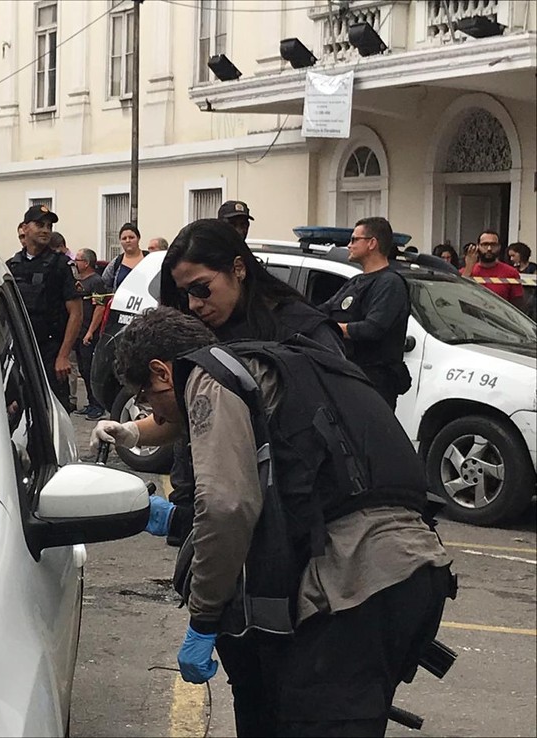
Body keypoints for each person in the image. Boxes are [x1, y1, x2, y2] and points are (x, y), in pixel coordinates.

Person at [111, 305, 454, 737]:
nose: (152, 413)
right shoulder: (263, 363)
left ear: (162, 371)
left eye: (145, 398)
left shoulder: (207, 378)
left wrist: (203, 620)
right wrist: (134, 434)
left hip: (354, 588)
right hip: (414, 570)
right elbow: (189, 424)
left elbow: (228, 507)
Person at [94, 219, 342, 549]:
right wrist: (133, 432)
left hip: (282, 510)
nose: (195, 304)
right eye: (184, 295)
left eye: (200, 288)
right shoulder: (206, 329)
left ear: (238, 268)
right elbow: (197, 412)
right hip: (206, 502)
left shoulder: (302, 333)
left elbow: (328, 430)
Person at [316, 217, 412, 410]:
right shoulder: (355, 281)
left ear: (372, 243)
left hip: (374, 382)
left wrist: (332, 328)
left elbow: (373, 328)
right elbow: (322, 312)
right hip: (347, 376)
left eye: (354, 239)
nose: (349, 245)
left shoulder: (389, 283)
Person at [6, 205, 82, 412]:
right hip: (19, 351)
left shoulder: (62, 266)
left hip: (51, 352)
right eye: (39, 224)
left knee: (54, 414)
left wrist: (64, 355)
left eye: (49, 226)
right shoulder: (12, 266)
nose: (45, 230)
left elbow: (76, 313)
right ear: (24, 228)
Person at [72, 248, 106, 420]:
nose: (75, 263)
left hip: (88, 333)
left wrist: (91, 331)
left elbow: (100, 307)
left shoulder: (96, 282)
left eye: (77, 260)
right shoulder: (78, 281)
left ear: (86, 263)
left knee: (90, 368)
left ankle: (98, 405)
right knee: (83, 369)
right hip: (78, 332)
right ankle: (91, 402)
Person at [461, 230, 526, 310]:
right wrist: (469, 267)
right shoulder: (464, 272)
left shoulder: (511, 273)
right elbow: (459, 295)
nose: (489, 249)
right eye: (485, 244)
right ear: (478, 246)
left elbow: (518, 306)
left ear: (499, 247)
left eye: (493, 245)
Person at [102, 223, 146, 289]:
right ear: (120, 241)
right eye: (124, 238)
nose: (128, 240)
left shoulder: (149, 258)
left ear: (138, 238)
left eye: (131, 237)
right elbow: (104, 284)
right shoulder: (116, 263)